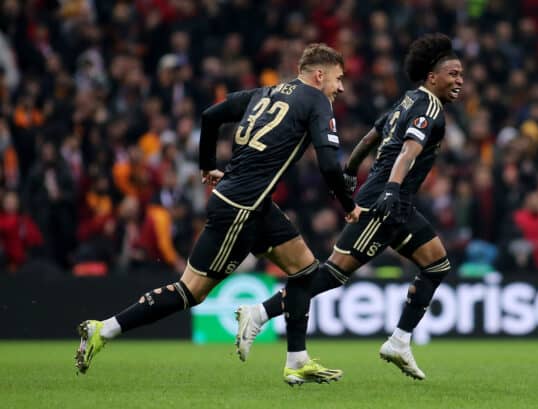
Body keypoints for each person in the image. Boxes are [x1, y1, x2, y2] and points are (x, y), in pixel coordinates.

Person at [75, 43, 361, 383]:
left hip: (251, 202)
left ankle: (295, 357)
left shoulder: (265, 93)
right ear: (319, 75)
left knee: (305, 270)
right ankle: (104, 329)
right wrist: (348, 205)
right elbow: (330, 166)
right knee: (191, 291)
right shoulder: (317, 101)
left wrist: (207, 166)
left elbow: (210, 116)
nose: (340, 87)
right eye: (338, 79)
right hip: (242, 208)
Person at [235, 33, 463, 381]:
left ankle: (400, 341)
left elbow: (372, 136)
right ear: (433, 77)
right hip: (385, 202)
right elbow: (408, 152)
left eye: (461, 75)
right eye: (453, 74)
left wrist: (349, 172)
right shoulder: (429, 107)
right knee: (333, 273)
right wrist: (387, 189)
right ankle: (260, 313)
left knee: (437, 264)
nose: (459, 81)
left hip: (396, 203)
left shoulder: (408, 100)